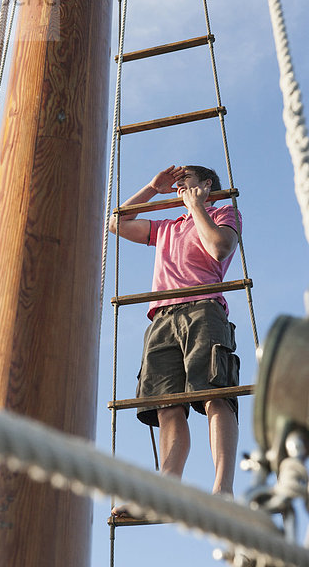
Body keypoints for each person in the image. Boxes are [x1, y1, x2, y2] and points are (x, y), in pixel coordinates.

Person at [109, 165, 241, 515]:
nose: (179, 188)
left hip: (204, 306)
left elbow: (219, 249)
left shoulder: (222, 212)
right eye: (177, 185)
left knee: (214, 393)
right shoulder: (167, 227)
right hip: (162, 318)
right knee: (167, 406)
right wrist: (152, 188)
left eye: (187, 183)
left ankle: (222, 490)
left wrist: (197, 206)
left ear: (206, 184)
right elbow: (116, 223)